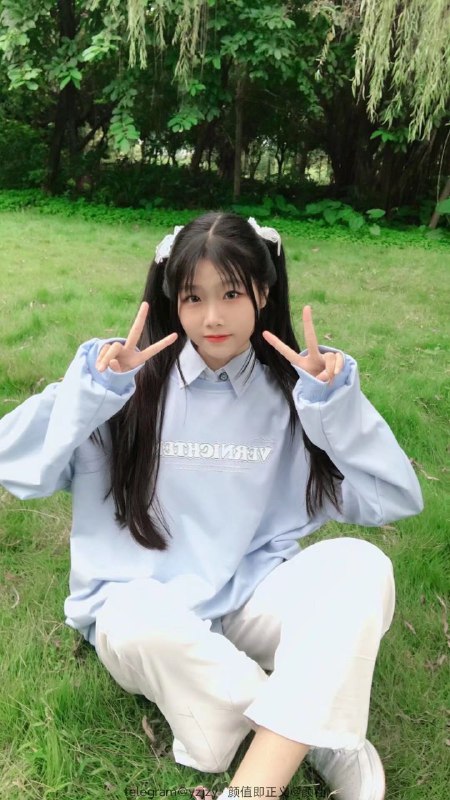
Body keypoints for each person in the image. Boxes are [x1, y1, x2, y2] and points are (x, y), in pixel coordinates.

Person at [0, 212, 423, 800]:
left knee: (361, 565)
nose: (213, 318)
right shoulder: (125, 386)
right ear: (172, 300)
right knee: (133, 616)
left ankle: (257, 775)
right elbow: (15, 464)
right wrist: (89, 395)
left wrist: (335, 407)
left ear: (264, 293)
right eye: (193, 298)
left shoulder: (295, 396)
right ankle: (314, 723)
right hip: (150, 614)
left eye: (231, 294)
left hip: (250, 600)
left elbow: (394, 496)